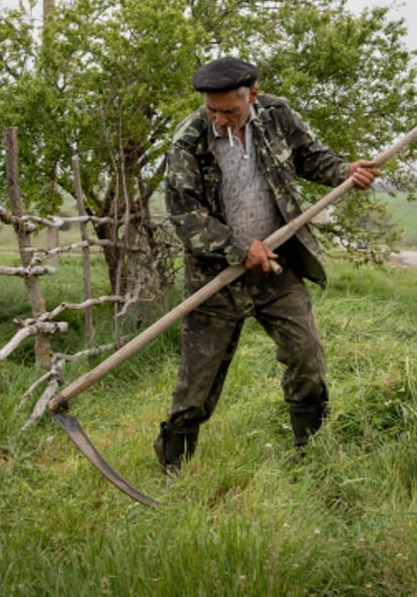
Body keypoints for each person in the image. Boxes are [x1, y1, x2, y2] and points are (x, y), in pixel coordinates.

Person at [155, 56, 380, 473]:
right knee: (196, 383)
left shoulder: (276, 114)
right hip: (217, 277)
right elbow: (185, 216)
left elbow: (310, 156)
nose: (220, 119)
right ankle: (174, 467)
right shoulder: (188, 140)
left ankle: (310, 454)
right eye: (212, 110)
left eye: (229, 110)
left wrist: (345, 171)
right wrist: (239, 247)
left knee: (307, 357)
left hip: (279, 268)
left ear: (252, 96)